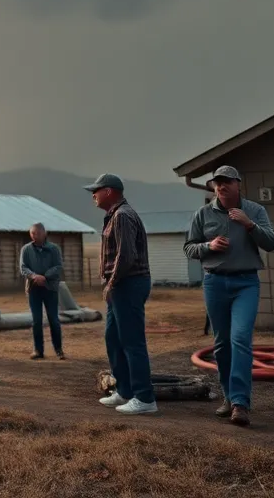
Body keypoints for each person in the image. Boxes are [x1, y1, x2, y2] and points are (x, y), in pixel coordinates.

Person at [184, 165, 274, 427]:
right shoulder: (202, 214)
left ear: (238, 184)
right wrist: (208, 246)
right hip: (215, 282)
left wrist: (249, 225)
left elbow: (271, 242)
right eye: (217, 182)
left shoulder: (255, 211)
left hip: (246, 283)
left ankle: (240, 403)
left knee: (240, 339)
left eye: (226, 182)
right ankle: (228, 397)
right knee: (222, 344)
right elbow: (189, 248)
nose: (221, 186)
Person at [85, 173, 156, 415]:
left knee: (132, 342)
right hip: (120, 286)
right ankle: (125, 391)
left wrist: (111, 282)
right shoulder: (113, 215)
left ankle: (145, 398)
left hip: (128, 284)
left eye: (96, 190)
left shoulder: (123, 216)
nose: (93, 194)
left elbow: (126, 256)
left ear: (110, 191)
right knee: (113, 339)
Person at [19, 222, 65, 360]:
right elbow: (23, 267)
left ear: (44, 233)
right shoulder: (26, 249)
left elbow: (58, 266)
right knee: (36, 320)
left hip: (50, 288)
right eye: (32, 233)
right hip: (33, 289)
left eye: (37, 233)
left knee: (53, 319)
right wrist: (34, 276)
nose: (34, 236)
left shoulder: (54, 249)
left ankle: (59, 349)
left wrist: (45, 276)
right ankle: (38, 350)